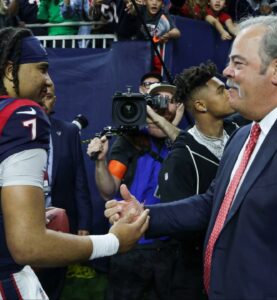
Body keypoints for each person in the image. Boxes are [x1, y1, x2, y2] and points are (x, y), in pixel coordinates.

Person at [104, 15, 277, 298]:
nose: (227, 71)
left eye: (238, 63)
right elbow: (213, 204)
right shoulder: (243, 137)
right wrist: (145, 215)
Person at [0, 26, 149, 299]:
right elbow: (27, 245)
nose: (48, 81)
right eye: (42, 69)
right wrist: (112, 241)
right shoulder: (22, 114)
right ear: (10, 71)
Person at [145, 62, 236, 300]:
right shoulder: (181, 159)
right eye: (220, 90)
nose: (229, 92)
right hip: (197, 274)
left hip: (238, 264)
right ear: (200, 105)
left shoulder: (242, 133)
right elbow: (181, 224)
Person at [87, 83, 183, 300]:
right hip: (132, 243)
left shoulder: (185, 144)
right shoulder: (131, 140)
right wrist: (100, 162)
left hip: (172, 247)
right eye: (156, 102)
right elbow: (108, 189)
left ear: (180, 107)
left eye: (170, 101)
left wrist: (174, 126)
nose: (163, 107)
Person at [36, 82, 93, 299]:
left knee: (53, 284)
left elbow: (80, 180)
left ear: (55, 101)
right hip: (21, 221)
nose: (43, 101)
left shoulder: (67, 131)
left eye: (48, 97)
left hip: (58, 225)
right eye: (39, 96)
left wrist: (84, 223)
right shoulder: (15, 129)